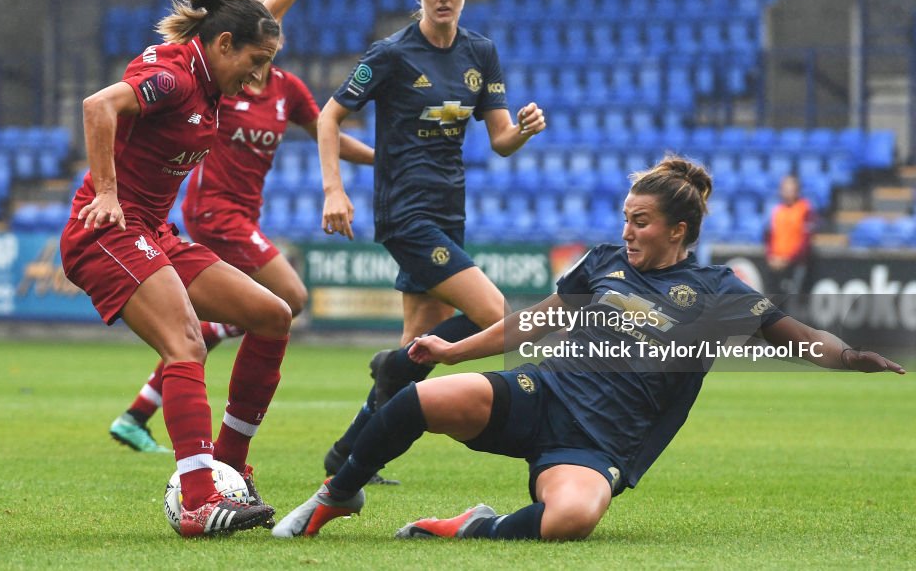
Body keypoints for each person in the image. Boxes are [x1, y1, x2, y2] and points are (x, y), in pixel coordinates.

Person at [271, 156, 905, 541]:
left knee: (571, 520)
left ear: (678, 230)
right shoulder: (603, 264)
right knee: (419, 400)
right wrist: (451, 352)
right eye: (626, 217)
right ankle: (339, 494)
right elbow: (537, 322)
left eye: (641, 221)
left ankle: (474, 526)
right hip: (542, 392)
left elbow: (796, 337)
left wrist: (850, 356)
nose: (625, 230)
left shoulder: (719, 291)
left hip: (600, 441)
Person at [59, 0, 340, 537]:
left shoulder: (217, 70)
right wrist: (104, 191)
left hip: (156, 232)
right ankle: (196, 503)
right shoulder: (175, 77)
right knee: (186, 342)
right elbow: (100, 106)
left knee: (272, 314)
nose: (259, 78)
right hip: (106, 232)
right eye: (255, 63)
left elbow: (263, 17)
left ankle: (230, 471)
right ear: (221, 44)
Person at [315, 0, 547, 482]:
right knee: (494, 313)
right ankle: (391, 367)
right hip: (406, 212)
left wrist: (525, 131)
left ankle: (346, 456)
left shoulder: (480, 53)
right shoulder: (390, 55)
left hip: (450, 210)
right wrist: (334, 190)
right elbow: (329, 119)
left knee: (416, 352)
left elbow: (500, 140)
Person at [109, 48, 374, 455]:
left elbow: (327, 132)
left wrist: (382, 160)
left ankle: (138, 413)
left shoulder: (288, 89)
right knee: (291, 297)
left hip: (247, 215)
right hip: (214, 210)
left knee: (231, 319)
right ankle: (194, 438)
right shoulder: (225, 82)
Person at [764, 173, 814, 298]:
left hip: (795, 264)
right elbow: (770, 236)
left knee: (792, 300)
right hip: (776, 264)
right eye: (784, 189)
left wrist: (788, 259)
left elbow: (805, 241)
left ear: (797, 190)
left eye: (790, 189)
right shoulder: (777, 210)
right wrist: (771, 257)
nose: (787, 192)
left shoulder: (805, 209)